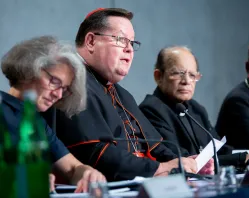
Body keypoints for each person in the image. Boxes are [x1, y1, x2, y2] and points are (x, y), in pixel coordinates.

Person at [48, 8, 214, 181]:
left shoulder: (122, 94)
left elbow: (155, 145)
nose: (129, 49)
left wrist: (182, 162)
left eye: (132, 43)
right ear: (90, 41)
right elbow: (96, 155)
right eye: (121, 40)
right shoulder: (71, 83)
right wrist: (159, 168)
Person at [139, 46, 249, 167]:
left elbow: (221, 150)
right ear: (158, 77)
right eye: (178, 73)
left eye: (192, 75)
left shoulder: (195, 109)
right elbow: (183, 159)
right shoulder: (151, 109)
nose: (186, 81)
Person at [1, 36, 105, 193]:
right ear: (30, 68)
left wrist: (87, 173)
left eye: (64, 88)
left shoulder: (38, 124)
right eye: (55, 82)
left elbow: (73, 168)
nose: (58, 94)